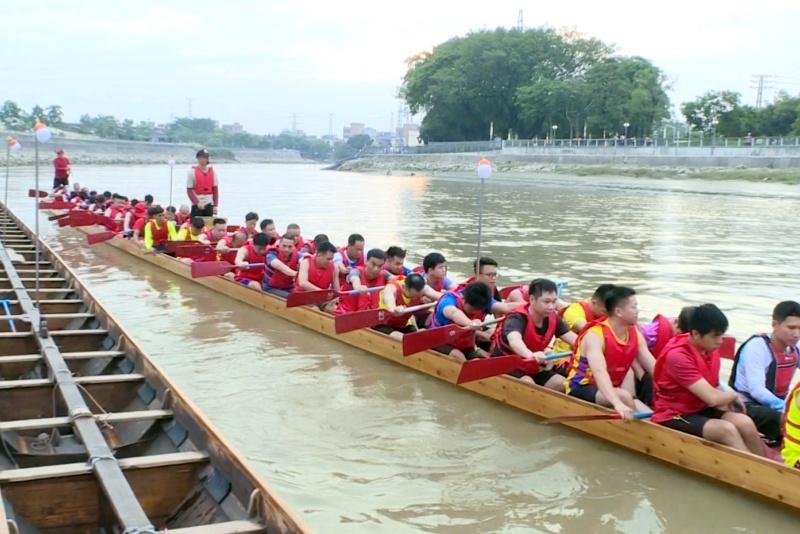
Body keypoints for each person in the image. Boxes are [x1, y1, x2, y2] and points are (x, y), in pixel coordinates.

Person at [652, 304, 763, 456]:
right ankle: (753, 468)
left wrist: (728, 403)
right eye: (715, 336)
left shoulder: (709, 349)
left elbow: (714, 388)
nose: (720, 341)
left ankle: (766, 464)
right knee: (726, 430)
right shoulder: (677, 356)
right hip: (675, 415)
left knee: (745, 423)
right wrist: (733, 395)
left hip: (700, 408)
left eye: (721, 335)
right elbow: (712, 398)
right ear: (696, 334)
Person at [565, 286, 655, 419]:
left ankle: (648, 418)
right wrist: (617, 403)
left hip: (609, 387)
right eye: (634, 307)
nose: (637, 311)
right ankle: (638, 422)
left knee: (633, 399)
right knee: (624, 396)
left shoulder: (635, 334)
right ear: (619, 312)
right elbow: (599, 371)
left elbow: (654, 367)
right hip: (581, 386)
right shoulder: (595, 335)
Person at [729, 301, 800, 446]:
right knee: (789, 420)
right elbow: (756, 390)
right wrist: (787, 408)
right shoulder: (756, 347)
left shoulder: (795, 347)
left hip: (776, 404)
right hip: (746, 405)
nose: (796, 334)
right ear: (775, 324)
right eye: (791, 328)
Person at [490, 279, 578, 391]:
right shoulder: (517, 317)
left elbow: (575, 339)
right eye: (546, 302)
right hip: (506, 366)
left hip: (531, 366)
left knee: (561, 383)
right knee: (528, 384)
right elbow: (514, 340)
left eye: (554, 302)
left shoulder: (553, 318)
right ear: (532, 299)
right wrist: (530, 354)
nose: (551, 307)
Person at [553, 283, 615, 356]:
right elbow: (587, 330)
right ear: (594, 303)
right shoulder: (574, 311)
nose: (609, 315)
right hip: (566, 356)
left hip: (592, 353)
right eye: (605, 311)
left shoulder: (603, 307)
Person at [377, 273, 439, 339]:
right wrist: (394, 309)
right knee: (400, 337)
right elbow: (389, 300)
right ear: (404, 286)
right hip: (383, 324)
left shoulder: (423, 288)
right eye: (413, 295)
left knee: (422, 334)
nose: (415, 298)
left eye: (417, 296)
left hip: (402, 325)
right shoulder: (391, 288)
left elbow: (441, 296)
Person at [335, 249, 391, 315]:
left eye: (380, 266)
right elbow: (355, 279)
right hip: (346, 315)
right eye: (373, 264)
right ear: (366, 261)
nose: (376, 269)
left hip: (371, 316)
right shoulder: (356, 271)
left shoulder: (384, 274)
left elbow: (397, 279)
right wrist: (358, 287)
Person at [295, 241, 339, 313]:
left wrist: (335, 298)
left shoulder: (335, 268)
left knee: (334, 310)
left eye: (332, 259)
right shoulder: (305, 263)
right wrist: (323, 292)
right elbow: (303, 283)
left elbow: (337, 291)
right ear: (318, 255)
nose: (331, 262)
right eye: (328, 259)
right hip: (303, 297)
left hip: (321, 299)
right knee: (315, 310)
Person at [186, 148, 218, 217]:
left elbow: (215, 189)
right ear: (199, 159)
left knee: (208, 222)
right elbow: (189, 190)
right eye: (205, 157)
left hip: (209, 202)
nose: (207, 159)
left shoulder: (212, 172)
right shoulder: (192, 172)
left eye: (208, 157)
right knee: (196, 222)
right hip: (197, 202)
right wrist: (197, 202)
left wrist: (215, 205)